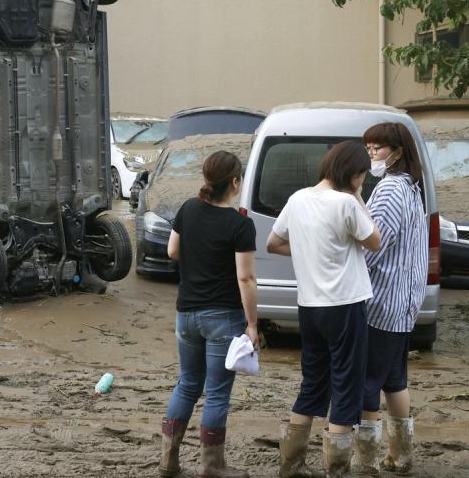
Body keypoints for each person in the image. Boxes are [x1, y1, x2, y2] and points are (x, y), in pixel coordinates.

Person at [266, 140, 381, 478]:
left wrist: (306, 250)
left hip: (310, 307)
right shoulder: (346, 203)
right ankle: (336, 469)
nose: (363, 182)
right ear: (354, 174)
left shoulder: (297, 199)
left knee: (313, 383)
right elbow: (375, 240)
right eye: (362, 176)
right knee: (346, 385)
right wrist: (359, 197)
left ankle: (292, 465)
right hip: (345, 305)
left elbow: (273, 243)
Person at [158, 150, 260, 478]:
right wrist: (253, 324)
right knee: (216, 392)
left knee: (187, 384)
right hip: (223, 317)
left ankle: (168, 463)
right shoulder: (240, 224)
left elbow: (172, 250)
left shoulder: (188, 209)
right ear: (234, 182)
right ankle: (212, 467)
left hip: (186, 313)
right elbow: (245, 278)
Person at [352, 123, 428, 475]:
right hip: (404, 304)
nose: (372, 155)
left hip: (381, 304)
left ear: (398, 151)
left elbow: (373, 245)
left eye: (378, 148)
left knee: (368, 383)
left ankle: (364, 461)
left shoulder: (389, 190)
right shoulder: (413, 188)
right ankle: (401, 455)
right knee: (395, 380)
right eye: (368, 148)